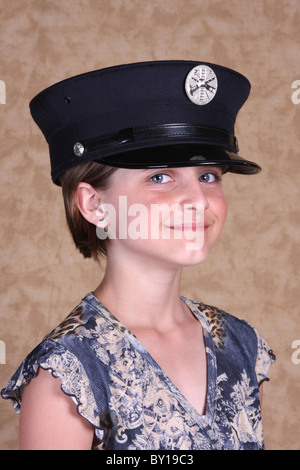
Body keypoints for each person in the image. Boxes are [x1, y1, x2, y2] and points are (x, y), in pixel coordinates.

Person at [1, 61, 275, 450]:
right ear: (95, 205)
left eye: (208, 175)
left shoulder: (241, 346)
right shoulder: (67, 374)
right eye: (160, 177)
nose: (198, 200)